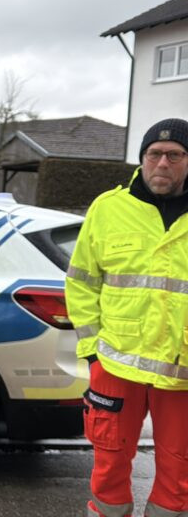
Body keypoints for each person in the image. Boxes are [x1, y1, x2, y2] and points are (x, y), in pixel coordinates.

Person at [67, 118, 188, 517]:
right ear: (142, 159)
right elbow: (82, 283)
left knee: (179, 478)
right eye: (154, 154)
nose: (163, 163)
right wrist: (92, 353)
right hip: (116, 365)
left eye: (175, 155)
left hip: (182, 372)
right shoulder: (109, 209)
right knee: (109, 470)